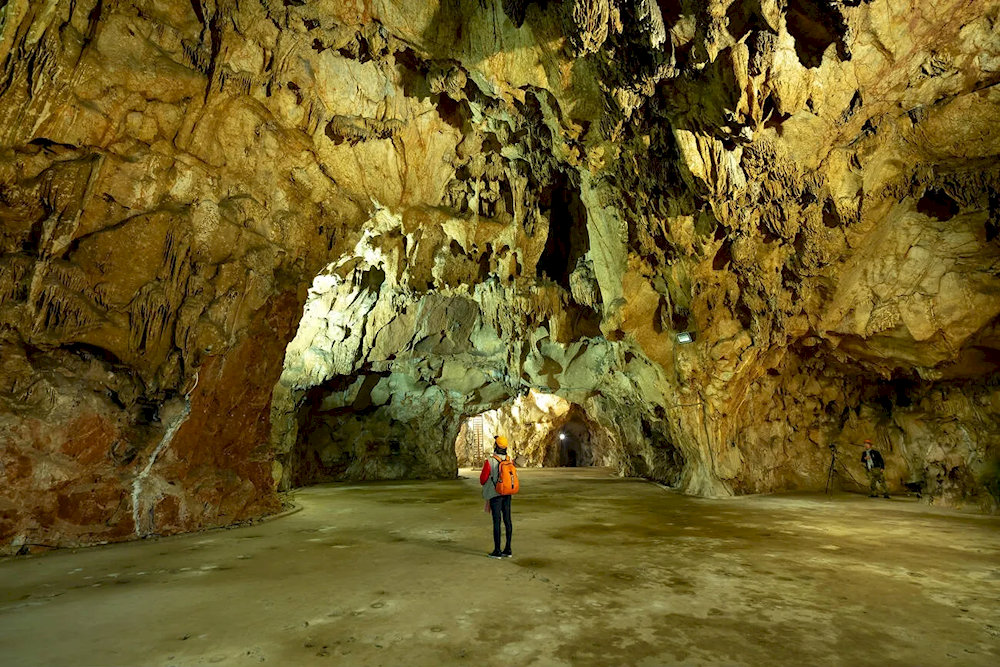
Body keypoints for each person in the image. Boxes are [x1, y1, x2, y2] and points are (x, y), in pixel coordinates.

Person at [480, 435, 513, 559]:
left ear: (496, 446)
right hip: (507, 493)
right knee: (508, 520)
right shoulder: (509, 460)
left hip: (495, 494)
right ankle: (508, 549)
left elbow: (483, 479)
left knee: (497, 521)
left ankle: (497, 551)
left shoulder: (490, 460)